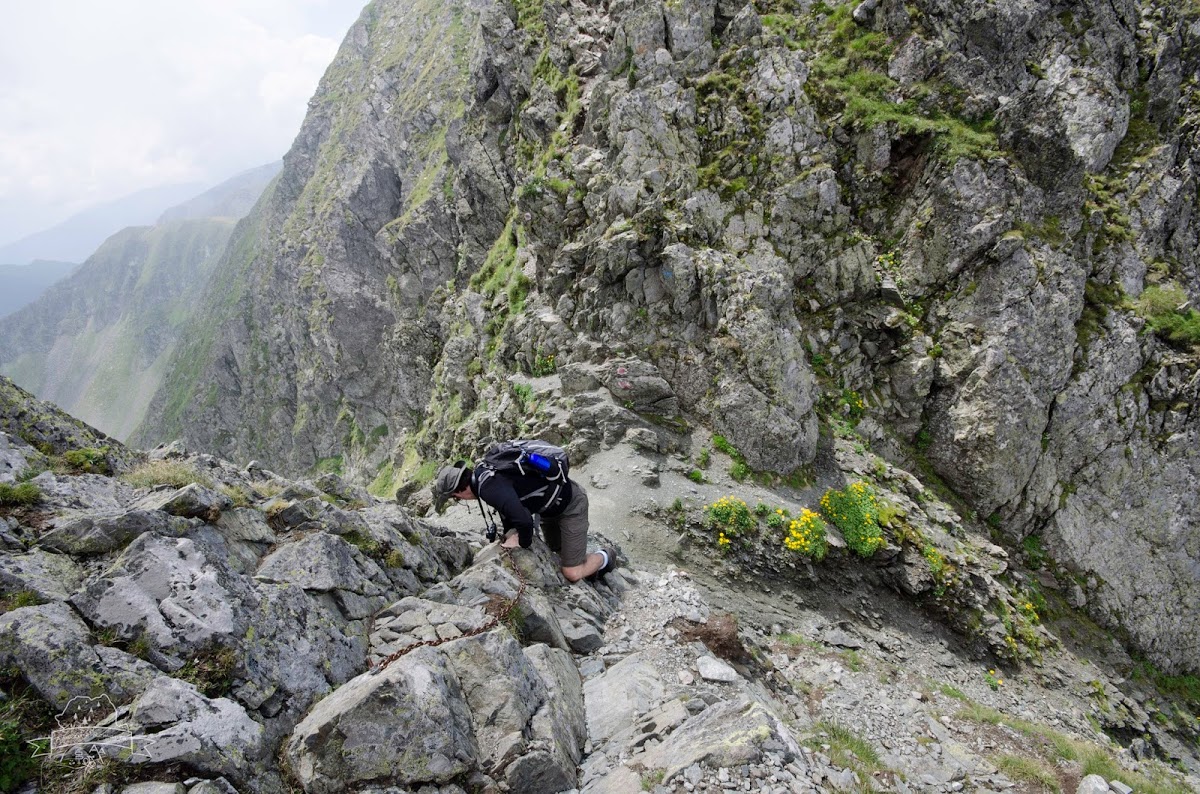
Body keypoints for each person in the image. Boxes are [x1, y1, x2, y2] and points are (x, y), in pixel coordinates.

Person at [432, 452, 618, 583]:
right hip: (549, 509)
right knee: (556, 552)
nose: (459, 500)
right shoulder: (484, 473)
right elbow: (511, 508)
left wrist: (522, 542)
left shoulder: (487, 487)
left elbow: (524, 522)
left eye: (455, 498)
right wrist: (509, 534)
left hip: (571, 505)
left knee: (571, 572)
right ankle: (586, 563)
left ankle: (606, 556)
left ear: (459, 492)